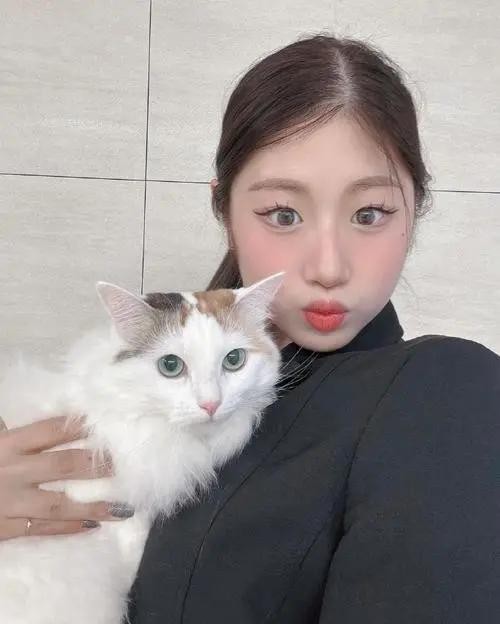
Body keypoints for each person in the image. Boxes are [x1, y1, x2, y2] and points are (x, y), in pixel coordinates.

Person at [1, 33, 499, 623]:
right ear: (226, 212)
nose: (329, 267)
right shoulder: (143, 380)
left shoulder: (444, 390)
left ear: (415, 212)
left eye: (370, 214)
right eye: (283, 214)